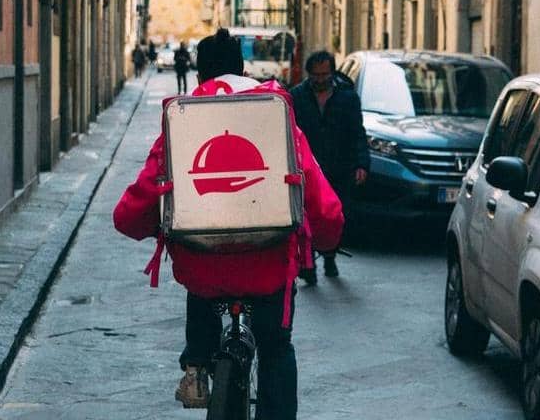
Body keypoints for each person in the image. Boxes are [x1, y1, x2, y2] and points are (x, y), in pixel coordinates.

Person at [113, 28, 343, 420]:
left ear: (201, 75)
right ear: (243, 69)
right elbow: (315, 189)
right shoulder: (274, 112)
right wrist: (327, 236)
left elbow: (141, 199)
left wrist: (144, 224)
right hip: (269, 267)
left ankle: (196, 366)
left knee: (200, 281)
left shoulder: (184, 119)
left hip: (204, 268)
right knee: (276, 348)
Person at [290, 51, 370, 286]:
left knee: (333, 217)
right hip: (308, 168)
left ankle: (330, 256)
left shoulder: (348, 98)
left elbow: (357, 132)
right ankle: (309, 265)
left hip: (339, 167)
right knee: (307, 217)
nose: (320, 79)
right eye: (315, 75)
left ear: (332, 73)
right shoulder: (297, 97)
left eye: (325, 74)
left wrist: (361, 163)